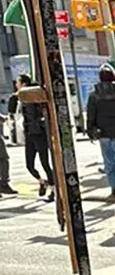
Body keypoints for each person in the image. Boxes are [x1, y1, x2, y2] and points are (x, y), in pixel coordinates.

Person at [87, 65, 115, 201]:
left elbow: (91, 115)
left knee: (109, 162)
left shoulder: (94, 96)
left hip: (103, 133)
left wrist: (91, 130)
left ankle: (114, 189)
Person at [18, 74, 54, 202]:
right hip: (30, 134)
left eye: (18, 82)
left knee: (45, 163)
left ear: (23, 83)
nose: (16, 85)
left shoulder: (31, 95)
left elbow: (34, 114)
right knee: (29, 165)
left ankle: (53, 189)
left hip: (39, 133)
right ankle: (42, 181)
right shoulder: (21, 97)